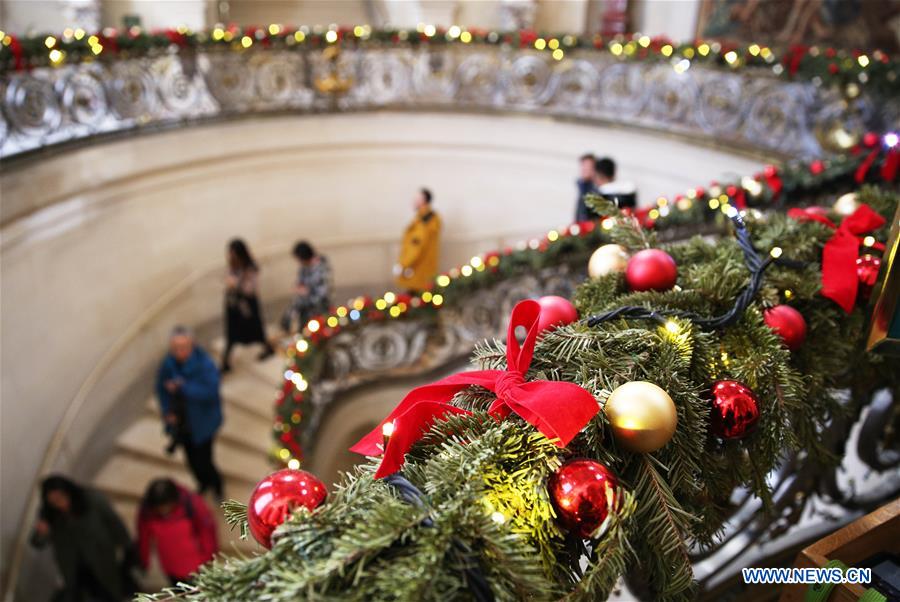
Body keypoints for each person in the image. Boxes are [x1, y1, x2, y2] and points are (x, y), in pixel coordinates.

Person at [31, 475, 135, 602]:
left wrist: (127, 546)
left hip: (100, 557)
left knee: (109, 589)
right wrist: (41, 534)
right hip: (73, 565)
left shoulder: (92, 500)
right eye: (53, 502)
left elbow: (114, 522)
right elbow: (37, 542)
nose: (59, 504)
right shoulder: (48, 514)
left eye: (60, 498)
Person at [156, 326, 224, 501]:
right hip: (183, 425)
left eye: (183, 347)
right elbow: (161, 390)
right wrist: (167, 412)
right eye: (175, 348)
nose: (179, 352)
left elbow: (210, 392)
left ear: (192, 345)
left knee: (206, 460)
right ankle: (203, 483)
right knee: (191, 461)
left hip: (203, 424)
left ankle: (217, 487)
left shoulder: (205, 364)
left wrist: (182, 387)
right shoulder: (168, 365)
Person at [137, 478, 218, 586]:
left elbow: (207, 532)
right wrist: (144, 562)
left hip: (196, 566)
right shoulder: (147, 513)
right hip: (170, 566)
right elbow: (144, 539)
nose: (163, 511)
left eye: (166, 506)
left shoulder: (192, 504)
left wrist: (208, 557)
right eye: (159, 508)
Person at [222, 239, 274, 373]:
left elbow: (251, 289)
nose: (230, 255)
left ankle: (268, 348)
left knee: (256, 329)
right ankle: (225, 361)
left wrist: (236, 284)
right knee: (231, 333)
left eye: (233, 253)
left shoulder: (250, 267)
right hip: (233, 305)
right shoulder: (233, 265)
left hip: (247, 305)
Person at [395, 188, 441, 292]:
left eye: (416, 199)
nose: (413, 201)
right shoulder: (423, 218)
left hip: (417, 271)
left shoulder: (425, 221)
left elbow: (416, 246)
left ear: (423, 201)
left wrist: (403, 265)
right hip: (420, 272)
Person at [280, 241, 333, 333]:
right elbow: (300, 283)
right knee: (289, 320)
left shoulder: (321, 268)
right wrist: (299, 289)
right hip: (304, 304)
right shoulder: (304, 267)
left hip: (318, 306)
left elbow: (322, 293)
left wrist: (307, 292)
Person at [574, 153, 598, 222]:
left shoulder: (597, 189)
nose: (584, 169)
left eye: (587, 166)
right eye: (583, 166)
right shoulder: (582, 187)